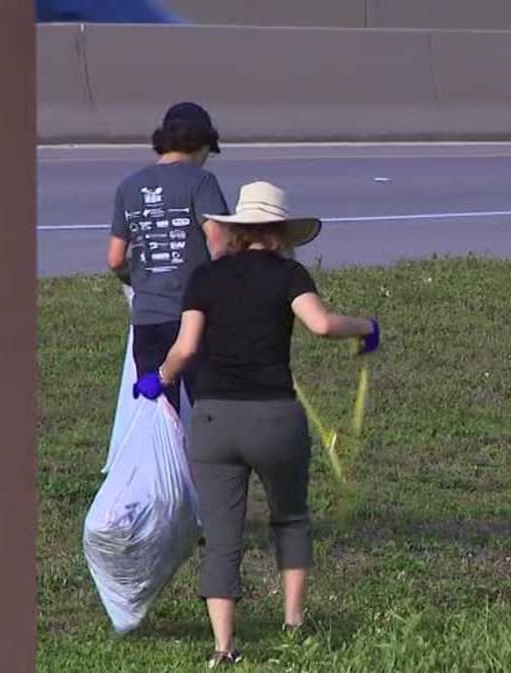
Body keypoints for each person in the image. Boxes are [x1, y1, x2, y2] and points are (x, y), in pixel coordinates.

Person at [131, 181, 381, 667]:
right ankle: (293, 622)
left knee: (223, 534)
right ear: (281, 233)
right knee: (289, 518)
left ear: (239, 232)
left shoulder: (205, 278)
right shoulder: (289, 275)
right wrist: (367, 328)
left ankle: (224, 648)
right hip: (274, 418)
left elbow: (184, 350)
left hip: (213, 419)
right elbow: (323, 325)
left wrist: (156, 380)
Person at [109, 102, 229, 412]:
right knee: (207, 407)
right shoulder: (201, 182)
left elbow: (115, 258)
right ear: (200, 144)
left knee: (161, 412)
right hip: (192, 316)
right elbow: (219, 244)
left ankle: (167, 463)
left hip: (147, 317)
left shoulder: (128, 186)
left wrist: (139, 280)